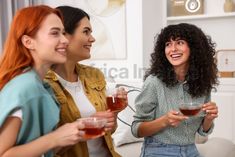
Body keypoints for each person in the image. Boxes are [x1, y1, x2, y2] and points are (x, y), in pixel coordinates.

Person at [0, 5, 86, 157]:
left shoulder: (41, 85)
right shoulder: (25, 88)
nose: (65, 40)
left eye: (63, 33)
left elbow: (40, 150)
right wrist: (54, 138)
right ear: (28, 42)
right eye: (55, 33)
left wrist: (70, 135)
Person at [44, 6, 127, 157]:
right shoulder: (43, 84)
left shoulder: (94, 75)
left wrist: (113, 114)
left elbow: (109, 131)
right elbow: (44, 151)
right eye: (86, 32)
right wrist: (81, 129)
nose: (93, 38)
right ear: (64, 35)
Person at [131, 23, 219, 157]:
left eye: (179, 42)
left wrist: (208, 118)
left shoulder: (202, 83)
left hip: (191, 150)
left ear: (194, 48)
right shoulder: (154, 82)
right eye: (168, 44)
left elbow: (202, 132)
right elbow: (136, 129)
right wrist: (165, 121)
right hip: (158, 150)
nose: (173, 49)